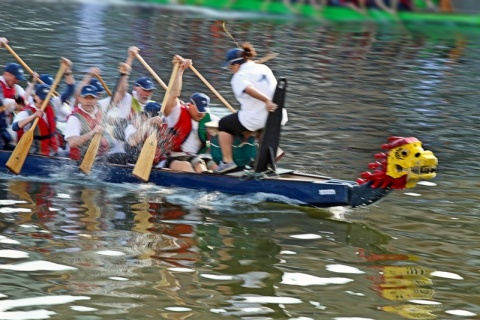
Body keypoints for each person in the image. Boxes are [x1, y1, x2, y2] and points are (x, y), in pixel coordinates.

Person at [214, 43, 286, 174]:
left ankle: (227, 162)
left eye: (230, 67)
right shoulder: (264, 68)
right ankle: (275, 152)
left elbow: (248, 89)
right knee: (257, 126)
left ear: (235, 65)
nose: (231, 70)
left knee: (224, 124)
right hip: (278, 115)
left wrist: (266, 101)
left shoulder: (238, 77)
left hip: (260, 115)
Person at [162, 55, 219, 173]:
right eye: (198, 110)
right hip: (173, 157)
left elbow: (228, 128)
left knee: (213, 166)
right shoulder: (177, 112)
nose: (201, 114)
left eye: (203, 111)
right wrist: (180, 70)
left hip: (198, 158)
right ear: (190, 105)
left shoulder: (211, 119)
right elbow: (174, 94)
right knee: (189, 167)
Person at [63, 85, 115, 162]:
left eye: (92, 98)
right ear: (80, 98)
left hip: (103, 155)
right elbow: (72, 143)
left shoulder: (99, 107)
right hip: (82, 160)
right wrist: (92, 132)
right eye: (86, 97)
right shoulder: (74, 119)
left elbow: (118, 95)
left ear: (97, 99)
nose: (89, 101)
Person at [12, 84, 58, 156]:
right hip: (36, 154)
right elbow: (14, 127)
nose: (45, 101)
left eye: (46, 99)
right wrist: (34, 116)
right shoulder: (27, 112)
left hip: (53, 151)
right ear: (35, 96)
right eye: (42, 98)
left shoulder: (51, 106)